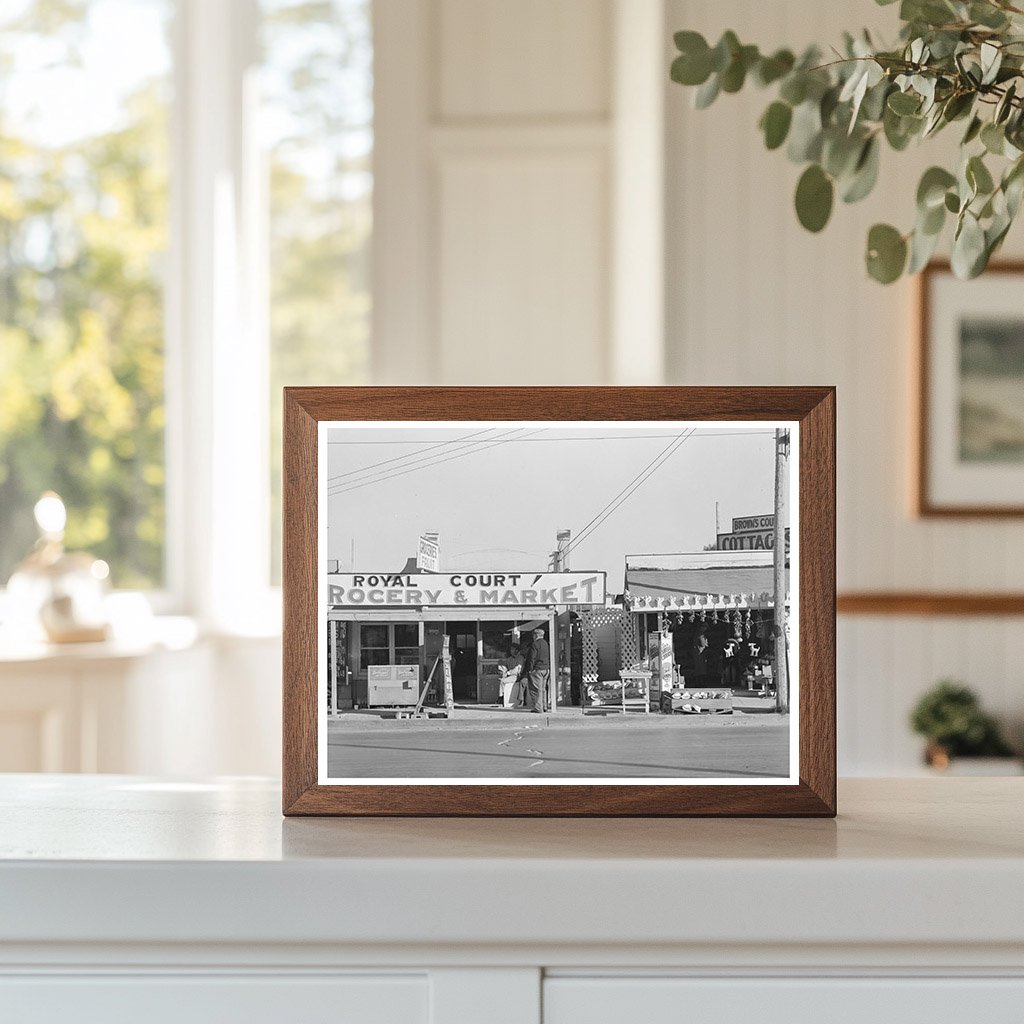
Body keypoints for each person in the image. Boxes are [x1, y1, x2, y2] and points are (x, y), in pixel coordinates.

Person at [523, 627, 550, 713]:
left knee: (536, 689)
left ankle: (538, 708)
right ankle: (544, 706)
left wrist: (530, 669)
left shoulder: (535, 644)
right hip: (545, 669)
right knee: (543, 689)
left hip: (537, 669)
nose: (532, 637)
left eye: (533, 635)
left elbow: (532, 658)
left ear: (536, 635)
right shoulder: (546, 644)